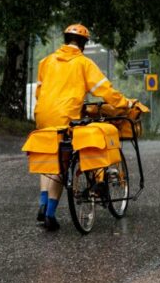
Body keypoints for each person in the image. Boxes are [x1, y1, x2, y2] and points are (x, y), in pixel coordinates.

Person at [33, 24, 133, 231]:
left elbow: (39, 92)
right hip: (66, 117)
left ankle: (42, 204)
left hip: (43, 115)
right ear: (84, 44)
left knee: (48, 158)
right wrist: (125, 103)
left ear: (65, 39)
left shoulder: (46, 62)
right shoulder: (84, 63)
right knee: (63, 163)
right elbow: (104, 90)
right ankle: (50, 214)